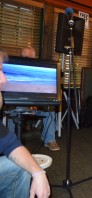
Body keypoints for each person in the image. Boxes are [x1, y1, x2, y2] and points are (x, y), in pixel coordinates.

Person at [0, 48, 51, 197]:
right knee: (12, 114)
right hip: (16, 106)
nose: (4, 80)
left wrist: (38, 172)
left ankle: (50, 139)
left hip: (33, 105)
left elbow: (9, 143)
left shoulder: (38, 70)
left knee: (50, 113)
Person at [7, 46, 60, 151]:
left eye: (28, 57)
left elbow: (43, 92)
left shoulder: (40, 71)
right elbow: (13, 92)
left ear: (34, 58)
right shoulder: (15, 70)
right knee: (11, 112)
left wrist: (36, 104)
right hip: (20, 105)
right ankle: (10, 142)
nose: (25, 59)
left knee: (50, 111)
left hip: (37, 106)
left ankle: (49, 140)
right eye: (23, 56)